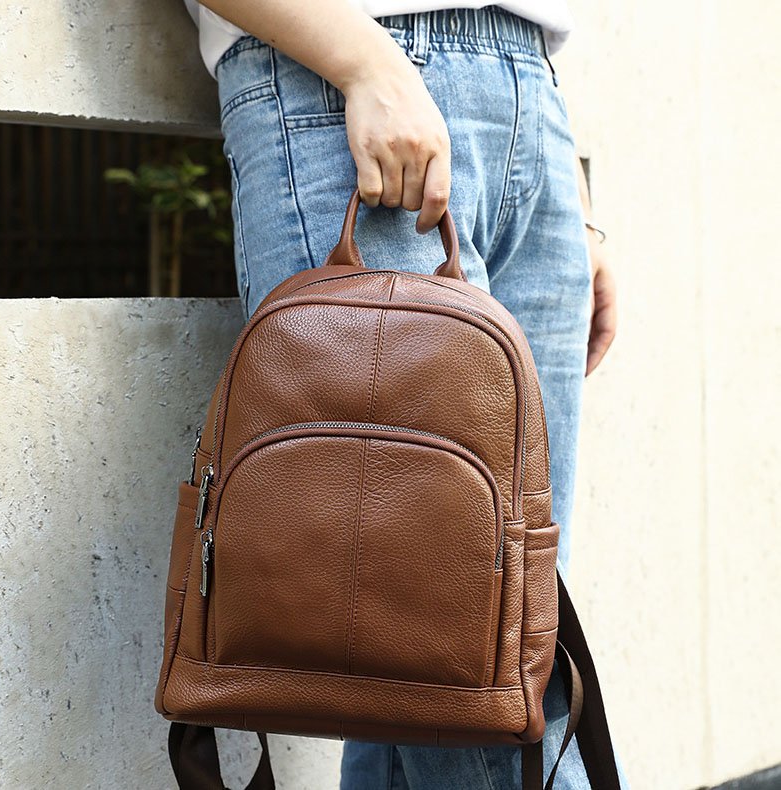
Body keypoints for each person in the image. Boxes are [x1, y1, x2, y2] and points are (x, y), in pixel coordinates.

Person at [182, 1, 618, 787]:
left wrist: (575, 199)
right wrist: (366, 63)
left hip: (533, 104)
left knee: (502, 635)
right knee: (473, 679)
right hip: (339, 84)